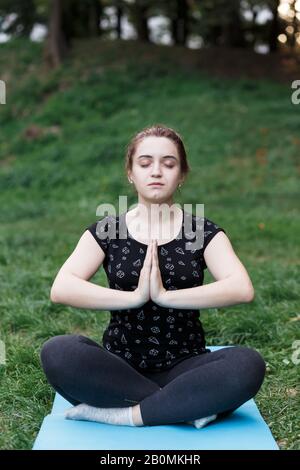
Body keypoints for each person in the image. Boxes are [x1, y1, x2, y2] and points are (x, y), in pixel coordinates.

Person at [40, 124, 266, 428]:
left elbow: (241, 288)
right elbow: (62, 287)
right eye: (145, 163)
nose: (156, 171)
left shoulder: (200, 231)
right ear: (131, 173)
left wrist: (165, 296)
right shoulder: (109, 230)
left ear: (182, 174)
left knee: (247, 364)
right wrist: (134, 298)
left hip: (187, 366)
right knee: (58, 352)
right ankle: (184, 405)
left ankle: (128, 414)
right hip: (119, 368)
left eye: (169, 163)